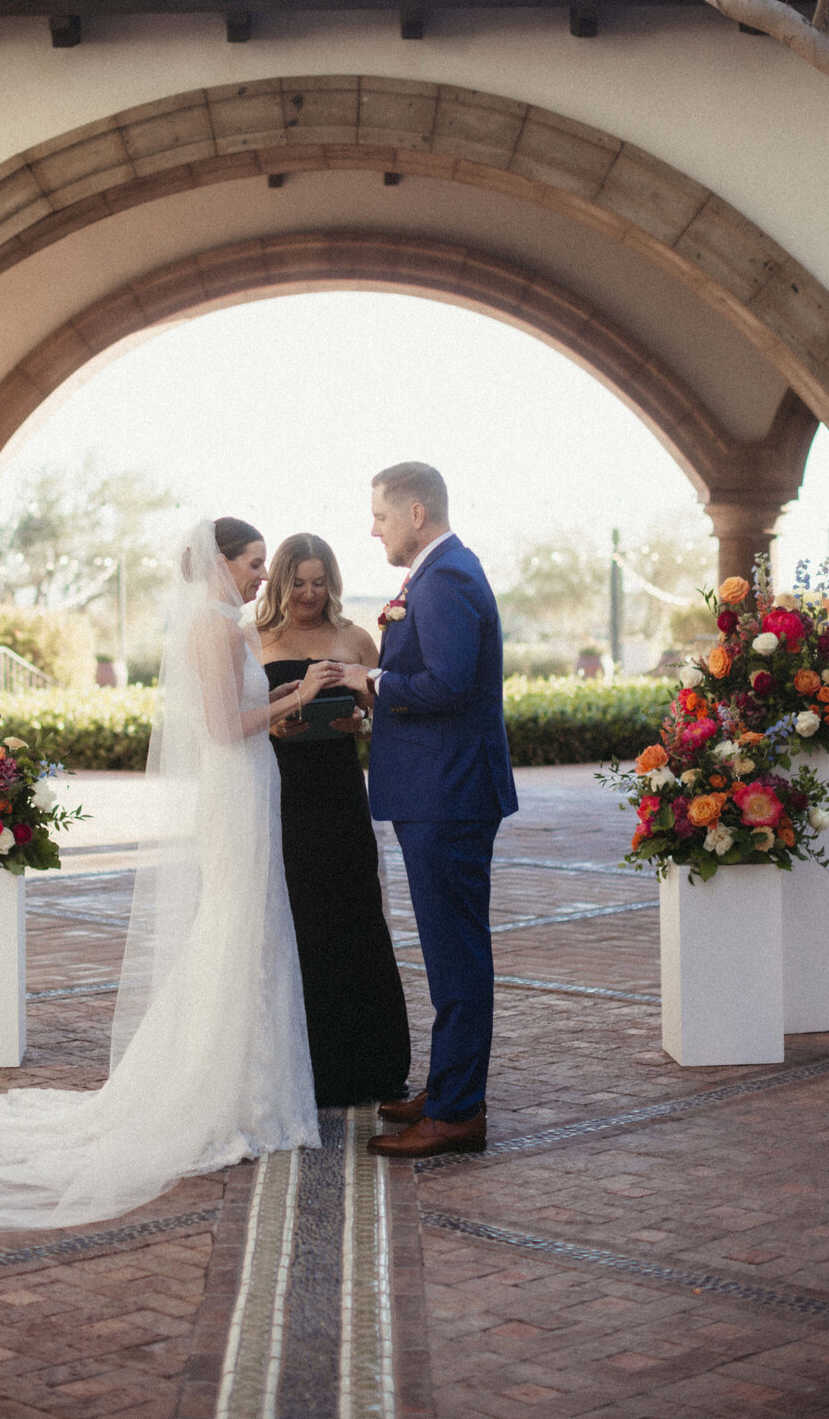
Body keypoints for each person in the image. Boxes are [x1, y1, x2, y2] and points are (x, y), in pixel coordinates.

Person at [0, 517, 344, 1234]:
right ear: (221, 561)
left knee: (251, 924)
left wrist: (295, 712)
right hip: (235, 790)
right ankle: (225, 1091)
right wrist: (299, 695)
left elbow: (246, 720)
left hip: (252, 785)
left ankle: (251, 1086)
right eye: (255, 562)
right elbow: (220, 724)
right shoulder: (210, 626)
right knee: (236, 924)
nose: (263, 575)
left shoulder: (224, 624)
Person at [340, 463, 517, 1160]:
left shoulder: (446, 579)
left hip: (448, 794)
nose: (373, 527)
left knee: (457, 956)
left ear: (417, 512)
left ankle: (457, 1112)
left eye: (380, 515)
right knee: (451, 953)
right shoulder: (440, 572)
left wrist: (371, 679)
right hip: (441, 790)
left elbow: (446, 682)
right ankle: (448, 1090)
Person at [257, 533, 411, 1106]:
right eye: (298, 582)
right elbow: (246, 720)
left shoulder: (355, 639)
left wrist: (361, 726)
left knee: (354, 913)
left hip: (341, 791)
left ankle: (371, 1063)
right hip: (283, 793)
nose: (309, 594)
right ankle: (306, 1066)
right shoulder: (258, 640)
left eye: (319, 582)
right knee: (298, 920)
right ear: (279, 582)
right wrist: (279, 722)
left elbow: (385, 714)